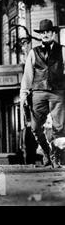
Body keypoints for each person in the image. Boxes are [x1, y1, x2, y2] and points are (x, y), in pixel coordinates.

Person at [20, 19, 65, 168]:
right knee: (34, 127)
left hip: (58, 93)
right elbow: (27, 75)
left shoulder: (63, 50)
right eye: (43, 32)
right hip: (38, 92)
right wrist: (24, 93)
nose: (45, 34)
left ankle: (57, 157)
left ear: (53, 33)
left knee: (60, 128)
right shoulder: (34, 52)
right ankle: (47, 151)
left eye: (48, 32)